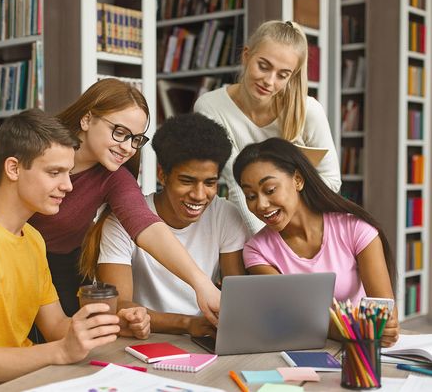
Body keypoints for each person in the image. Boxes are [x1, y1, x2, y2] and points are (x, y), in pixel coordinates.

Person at [0, 109, 150, 391]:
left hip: (21, 384)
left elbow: (57, 327)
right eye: (54, 173)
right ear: (13, 168)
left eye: (68, 172)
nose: (68, 185)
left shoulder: (33, 238)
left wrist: (106, 325)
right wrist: (61, 352)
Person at [0, 79, 220, 324]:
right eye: (120, 133)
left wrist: (201, 283)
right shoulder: (24, 147)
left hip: (61, 268)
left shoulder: (114, 178)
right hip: (0, 257)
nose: (128, 148)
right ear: (87, 119)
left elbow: (145, 224)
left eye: (135, 139)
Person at [81, 113, 247, 337]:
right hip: (146, 339)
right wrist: (187, 324)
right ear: (162, 174)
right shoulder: (121, 222)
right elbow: (119, 304)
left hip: (207, 337)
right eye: (186, 181)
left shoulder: (226, 215)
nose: (199, 195)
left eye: (210, 183)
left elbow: (238, 298)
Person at [232, 137, 399, 346]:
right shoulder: (257, 252)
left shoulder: (357, 229)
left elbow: (384, 312)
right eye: (250, 196)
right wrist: (361, 328)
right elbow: (299, 318)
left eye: (270, 190)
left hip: (362, 351)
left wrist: (387, 327)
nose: (262, 205)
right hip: (306, 349)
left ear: (298, 180)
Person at [194, 20, 341, 234]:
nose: (269, 81)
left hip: (301, 227)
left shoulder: (309, 110)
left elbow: (331, 182)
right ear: (246, 56)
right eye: (263, 66)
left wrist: (286, 221)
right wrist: (266, 243)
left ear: (291, 76)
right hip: (246, 226)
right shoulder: (210, 107)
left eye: (282, 75)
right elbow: (237, 186)